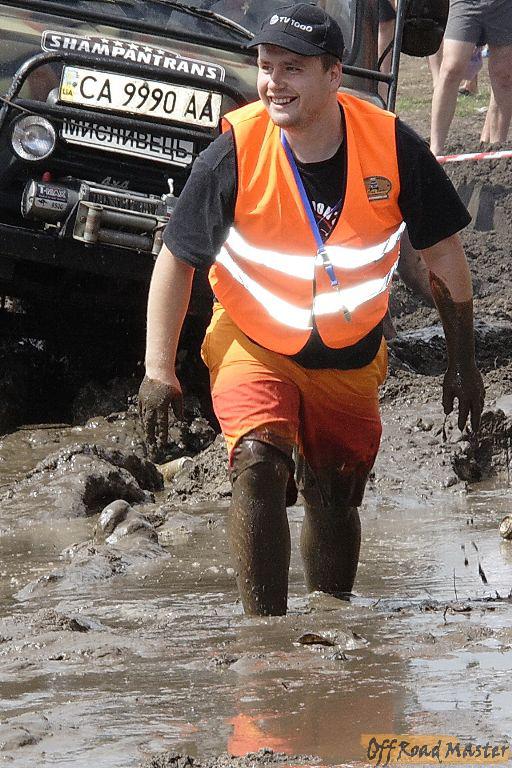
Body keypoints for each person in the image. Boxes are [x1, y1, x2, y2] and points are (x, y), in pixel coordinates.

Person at [139, 4, 485, 616]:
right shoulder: (235, 150)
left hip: (351, 356)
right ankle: (265, 639)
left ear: (334, 74)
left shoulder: (392, 146)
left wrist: (464, 362)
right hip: (252, 340)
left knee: (335, 492)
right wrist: (157, 370)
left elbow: (445, 259)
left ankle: (331, 620)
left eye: (292, 69)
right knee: (256, 463)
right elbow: (177, 260)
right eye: (266, 66)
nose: (274, 83)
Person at [430, 0, 512, 155]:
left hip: (504, 5)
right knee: (451, 69)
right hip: (466, 3)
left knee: (504, 76)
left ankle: (497, 151)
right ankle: (435, 151)